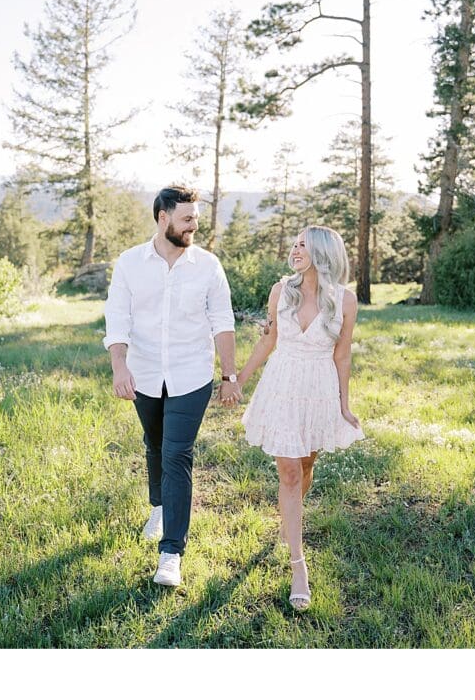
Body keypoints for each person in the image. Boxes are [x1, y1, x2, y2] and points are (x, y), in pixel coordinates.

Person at [103, 185, 240, 588]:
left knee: (178, 454)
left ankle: (171, 553)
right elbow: (117, 318)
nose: (193, 225)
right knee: (155, 443)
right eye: (187, 219)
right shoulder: (130, 263)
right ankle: (159, 505)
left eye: (196, 218)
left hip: (190, 374)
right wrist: (119, 366)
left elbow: (223, 321)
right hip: (143, 373)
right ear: (163, 218)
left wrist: (229, 376)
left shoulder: (208, 266)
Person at [238, 225, 363, 611]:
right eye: (293, 244)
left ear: (323, 253)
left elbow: (342, 356)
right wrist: (237, 379)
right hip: (282, 384)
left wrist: (344, 406)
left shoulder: (345, 300)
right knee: (289, 472)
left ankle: (287, 521)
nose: (294, 250)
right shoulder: (281, 290)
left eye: (302, 245)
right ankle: (298, 565)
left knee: (305, 466)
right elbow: (268, 339)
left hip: (318, 390)